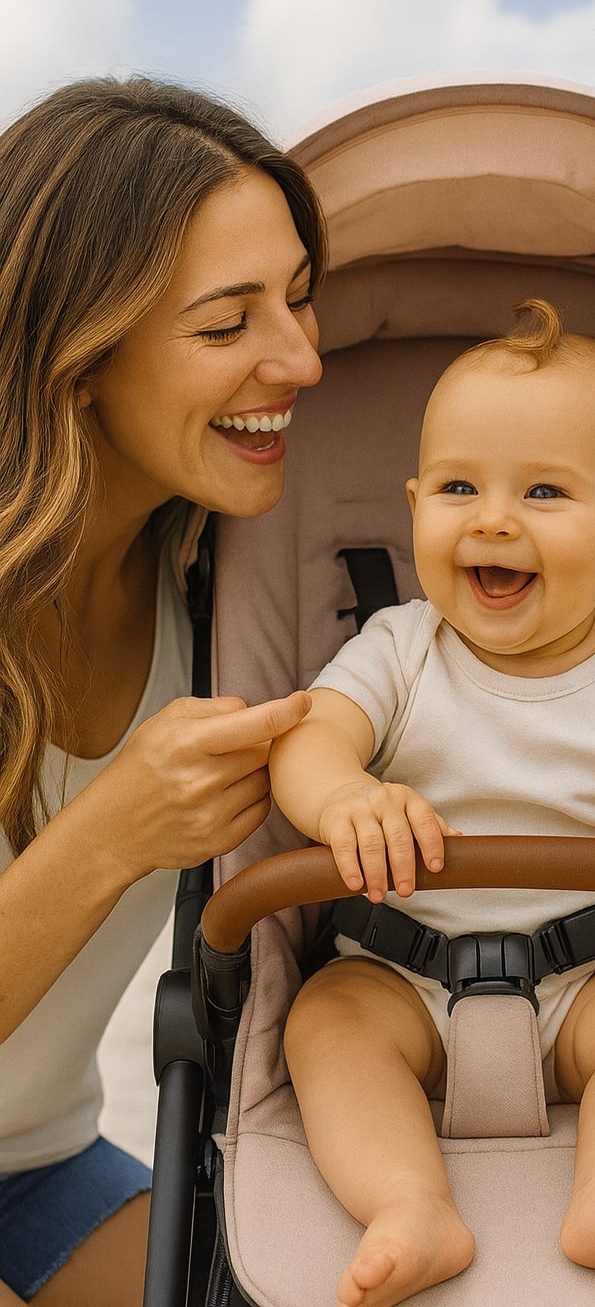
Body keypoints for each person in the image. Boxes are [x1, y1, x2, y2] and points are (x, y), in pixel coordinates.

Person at [269, 298, 595, 1307]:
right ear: (412, 508)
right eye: (456, 487)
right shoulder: (401, 646)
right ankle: (409, 1203)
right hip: (399, 970)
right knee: (324, 1019)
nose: (491, 518)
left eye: (542, 490)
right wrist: (344, 794)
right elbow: (313, 737)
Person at [0, 76, 324, 1306]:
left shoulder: (222, 593)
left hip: (37, 1167)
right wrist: (109, 833)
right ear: (77, 355)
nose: (299, 356)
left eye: (298, 298)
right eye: (228, 321)